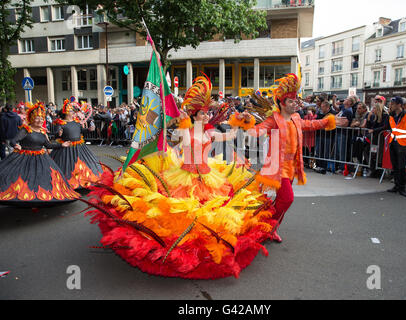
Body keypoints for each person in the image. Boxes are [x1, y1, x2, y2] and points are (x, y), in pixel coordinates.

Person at [81, 75, 277, 280]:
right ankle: (186, 241)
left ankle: (204, 238)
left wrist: (239, 123)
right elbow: (168, 134)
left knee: (207, 209)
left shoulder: (210, 134)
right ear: (195, 115)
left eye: (208, 113)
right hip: (185, 176)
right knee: (184, 210)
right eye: (203, 114)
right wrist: (171, 117)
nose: (207, 116)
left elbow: (228, 135)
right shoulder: (186, 133)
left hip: (208, 178)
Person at [235, 74, 337, 242]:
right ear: (282, 104)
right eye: (290, 101)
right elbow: (257, 131)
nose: (295, 103)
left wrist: (328, 121)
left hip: (291, 166)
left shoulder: (296, 118)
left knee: (282, 200)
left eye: (295, 100)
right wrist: (246, 122)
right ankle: (268, 225)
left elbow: (310, 125)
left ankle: (270, 227)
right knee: (287, 199)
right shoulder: (274, 120)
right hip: (277, 166)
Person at [0, 102, 79, 206]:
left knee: (41, 179)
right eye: (37, 118)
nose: (40, 121)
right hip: (24, 158)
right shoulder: (26, 129)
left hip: (40, 158)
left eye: (41, 119)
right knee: (22, 179)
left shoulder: (43, 132)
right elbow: (13, 141)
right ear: (32, 118)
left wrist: (62, 145)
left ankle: (38, 198)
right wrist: (16, 145)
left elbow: (48, 146)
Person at [51, 99, 103, 189]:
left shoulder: (76, 122)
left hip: (79, 147)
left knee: (84, 164)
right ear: (66, 112)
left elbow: (81, 131)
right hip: (66, 147)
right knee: (67, 165)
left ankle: (83, 181)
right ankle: (67, 182)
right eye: (72, 111)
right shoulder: (61, 123)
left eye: (73, 111)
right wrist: (58, 134)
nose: (74, 113)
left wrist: (89, 129)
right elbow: (55, 135)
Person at [387, 96, 406, 197]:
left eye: (393, 103)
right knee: (395, 166)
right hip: (393, 143)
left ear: (399, 105)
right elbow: (393, 130)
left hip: (403, 145)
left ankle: (402, 187)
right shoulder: (391, 116)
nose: (390, 105)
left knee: (401, 167)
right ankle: (396, 186)